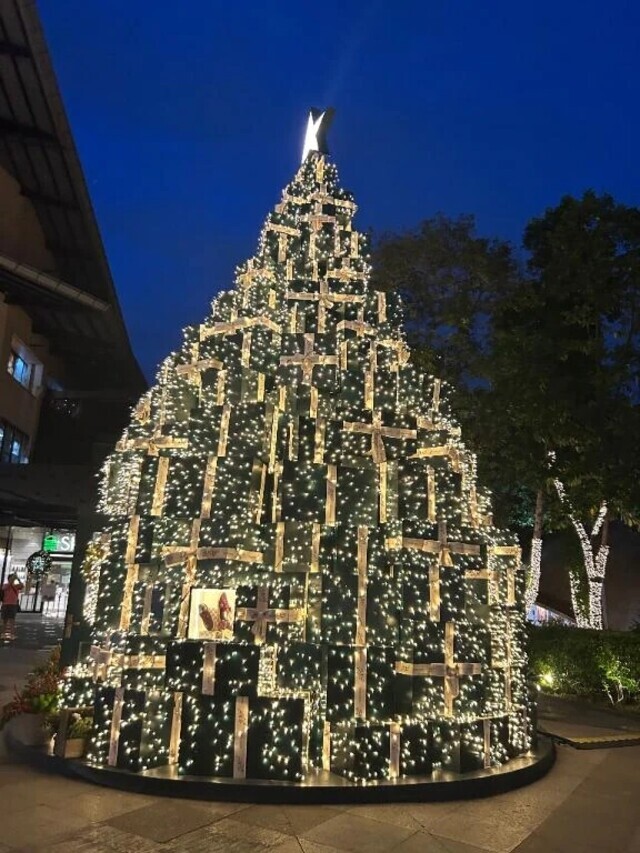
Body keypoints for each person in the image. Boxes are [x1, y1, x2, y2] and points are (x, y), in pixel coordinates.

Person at [1, 573, 23, 640]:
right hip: (5, 604)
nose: (13, 579)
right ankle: (3, 634)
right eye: (11, 578)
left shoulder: (16, 586)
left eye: (13, 578)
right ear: (8, 579)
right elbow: (4, 588)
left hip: (13, 605)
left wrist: (18, 579)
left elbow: (22, 586)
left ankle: (12, 635)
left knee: (12, 621)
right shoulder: (5, 585)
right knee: (4, 621)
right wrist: (13, 579)